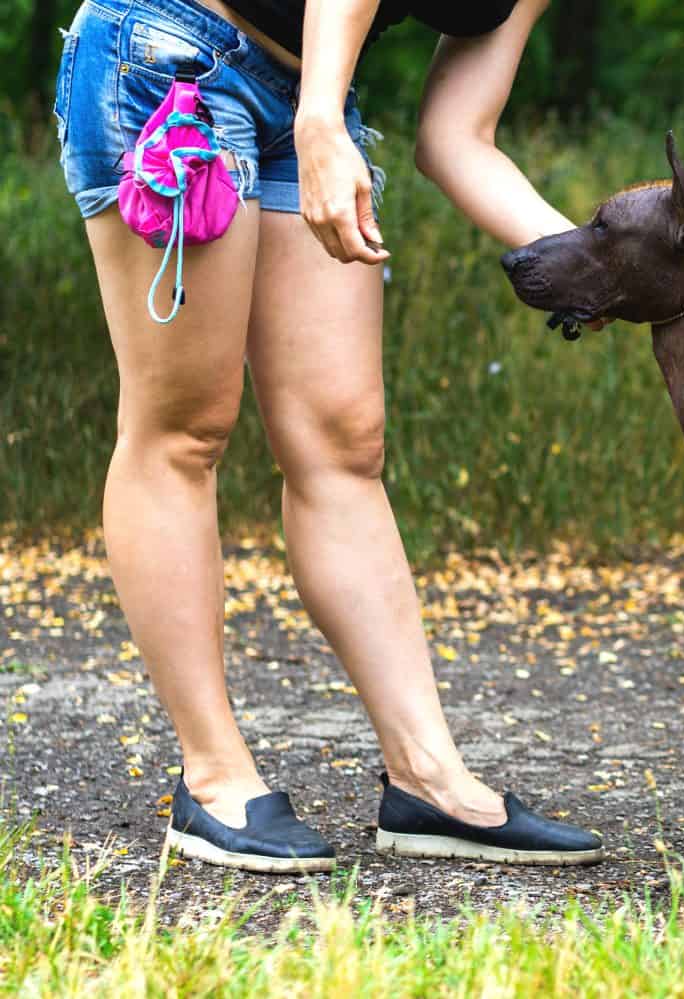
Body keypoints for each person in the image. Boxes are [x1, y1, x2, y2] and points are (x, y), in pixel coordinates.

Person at [53, 0, 602, 871]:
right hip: (168, 51)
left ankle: (427, 776)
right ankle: (215, 775)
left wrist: (607, 270)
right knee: (183, 426)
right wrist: (319, 119)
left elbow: (458, 138)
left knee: (344, 440)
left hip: (307, 92)